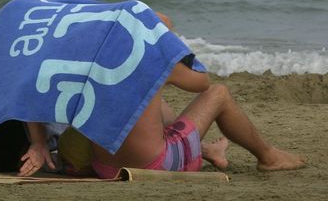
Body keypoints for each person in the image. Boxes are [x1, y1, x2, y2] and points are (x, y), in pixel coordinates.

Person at [18, 12, 306, 178]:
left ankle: (207, 150)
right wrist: (173, 51)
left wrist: (38, 141)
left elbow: (29, 85)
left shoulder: (93, 59)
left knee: (149, 103)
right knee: (219, 95)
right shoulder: (157, 60)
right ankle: (269, 157)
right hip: (155, 166)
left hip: (104, 167)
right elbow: (203, 82)